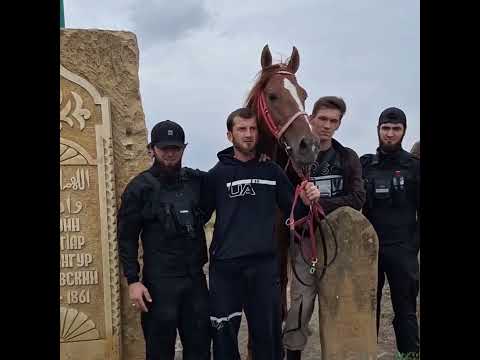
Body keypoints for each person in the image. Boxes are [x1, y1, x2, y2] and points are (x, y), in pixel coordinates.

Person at [202, 107, 320, 360]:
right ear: (229, 135)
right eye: (241, 129)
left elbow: (293, 211)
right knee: (223, 338)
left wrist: (307, 200)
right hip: (226, 270)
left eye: (252, 129)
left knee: (268, 337)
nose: (248, 134)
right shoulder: (216, 175)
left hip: (264, 268)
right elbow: (200, 215)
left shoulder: (272, 172)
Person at [117, 120, 211, 360]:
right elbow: (126, 238)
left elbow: (228, 175)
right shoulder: (139, 188)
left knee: (200, 349)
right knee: (159, 352)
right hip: (159, 285)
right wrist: (133, 281)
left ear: (183, 149)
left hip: (195, 282)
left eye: (176, 148)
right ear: (152, 149)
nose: (170, 153)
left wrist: (259, 159)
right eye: (164, 148)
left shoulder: (196, 181)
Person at [283, 96, 366, 360]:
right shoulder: (294, 159)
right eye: (322, 119)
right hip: (304, 244)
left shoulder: (347, 157)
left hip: (338, 243)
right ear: (310, 118)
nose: (327, 126)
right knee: (299, 306)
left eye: (334, 121)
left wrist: (322, 201)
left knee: (338, 305)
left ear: (339, 124)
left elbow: (357, 198)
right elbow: (285, 204)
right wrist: (301, 204)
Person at [360, 107, 420, 358]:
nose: (390, 134)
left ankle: (409, 355)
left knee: (405, 309)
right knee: (367, 309)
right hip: (370, 251)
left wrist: (412, 247)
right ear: (378, 130)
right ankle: (366, 353)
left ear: (404, 131)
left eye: (396, 129)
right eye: (386, 128)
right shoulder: (365, 165)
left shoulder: (414, 167)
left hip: (403, 249)